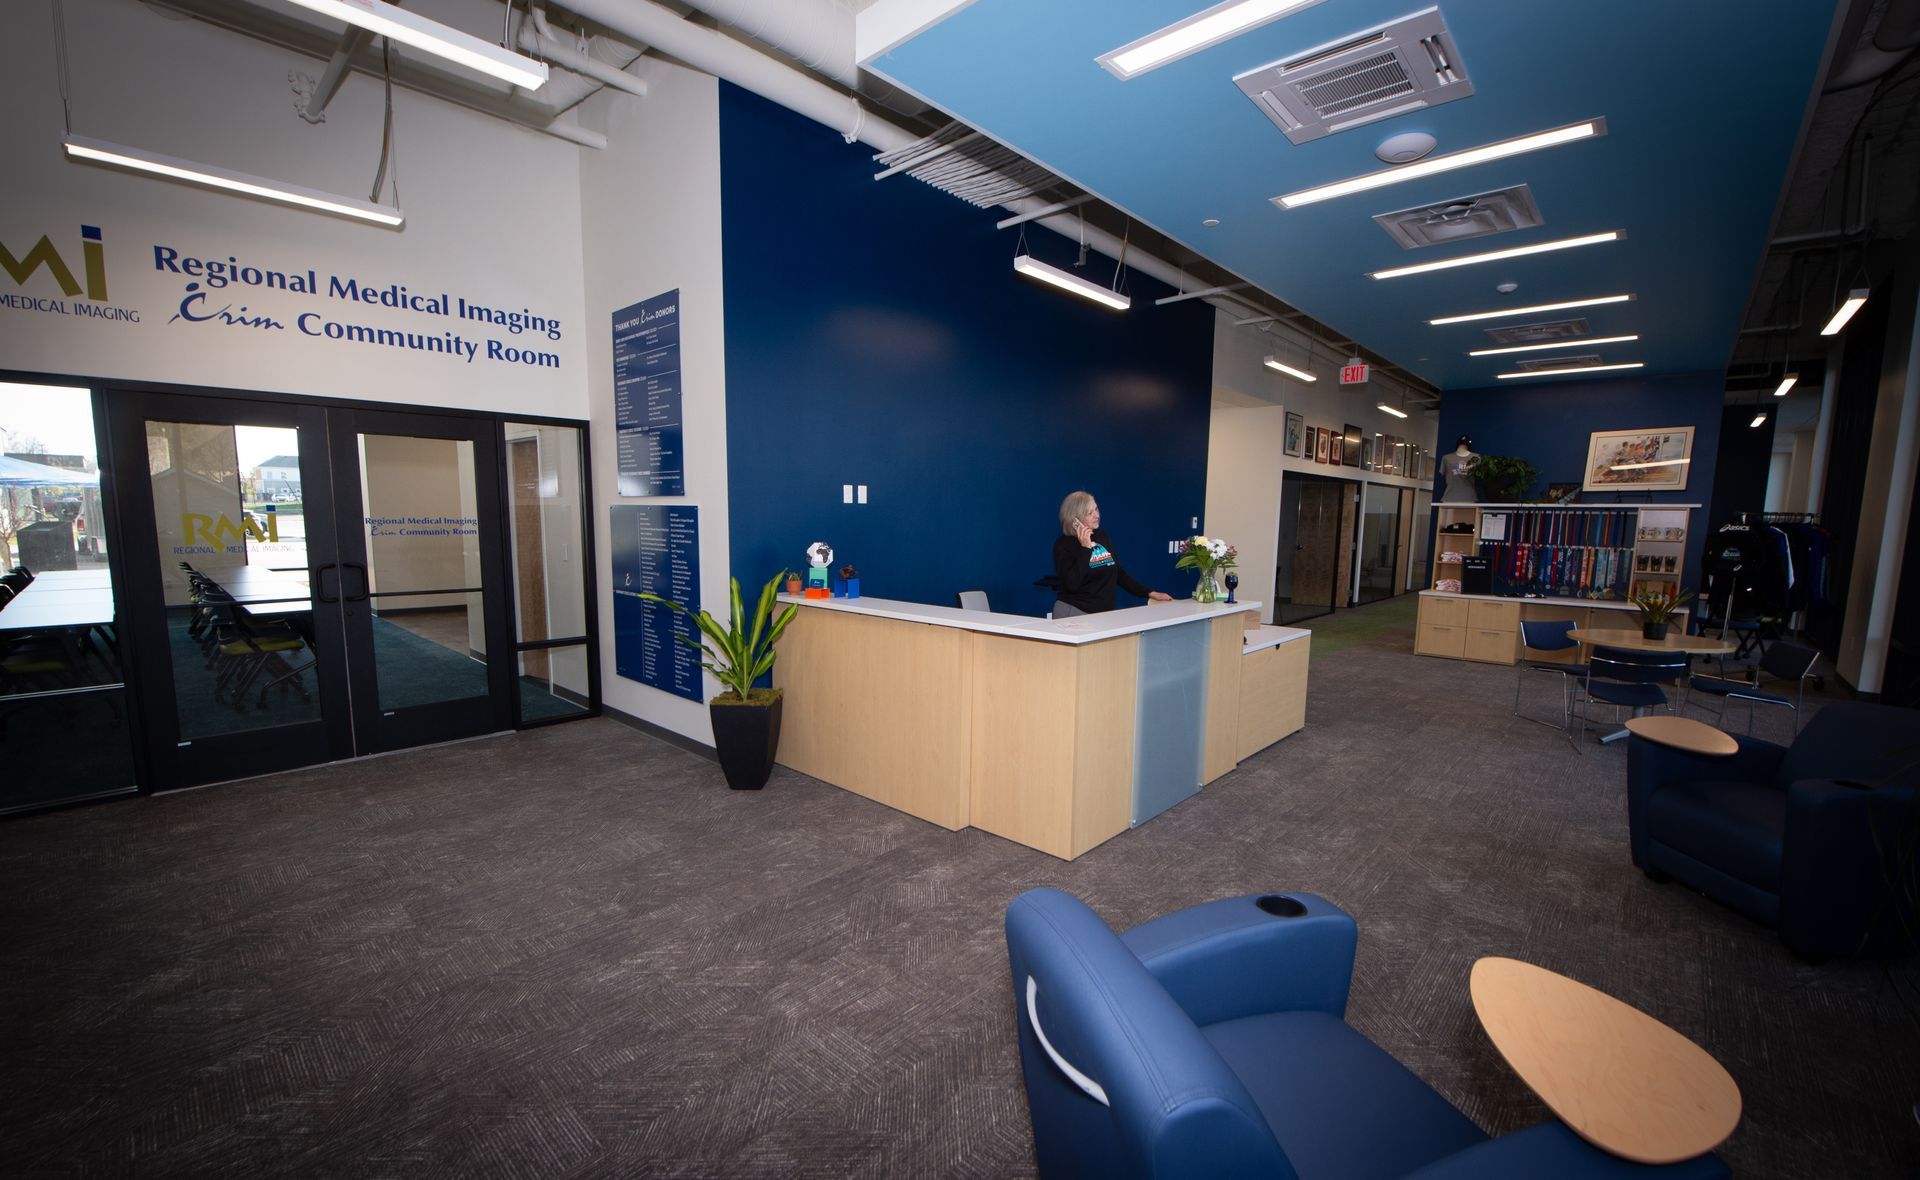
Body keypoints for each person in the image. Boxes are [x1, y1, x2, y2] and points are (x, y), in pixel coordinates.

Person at [1052, 491, 1172, 616]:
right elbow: (1072, 584)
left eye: (1096, 509)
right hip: (1075, 612)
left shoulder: (1102, 536)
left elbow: (1118, 573)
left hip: (1103, 614)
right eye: (1089, 513)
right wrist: (1085, 548)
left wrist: (1150, 593)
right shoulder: (1063, 545)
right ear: (1075, 519)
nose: (1097, 515)